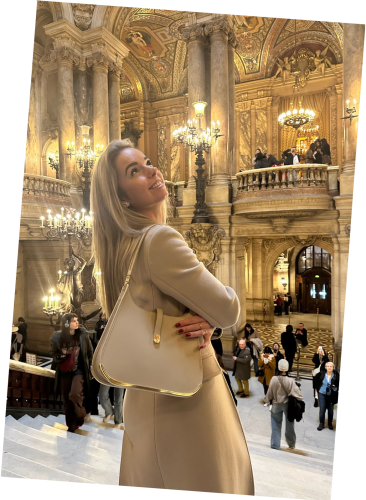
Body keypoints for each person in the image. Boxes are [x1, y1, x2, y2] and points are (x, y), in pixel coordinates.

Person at [90, 139, 254, 494]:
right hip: (188, 399)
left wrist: (201, 315)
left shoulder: (121, 247)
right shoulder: (159, 239)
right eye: (135, 171)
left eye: (148, 162)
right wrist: (210, 313)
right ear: (121, 198)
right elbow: (228, 309)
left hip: (146, 400)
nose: (152, 170)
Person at [50, 313, 94, 433]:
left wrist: (92, 368)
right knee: (66, 399)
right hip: (65, 371)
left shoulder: (82, 335)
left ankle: (81, 415)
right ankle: (71, 425)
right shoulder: (59, 337)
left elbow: (90, 353)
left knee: (74, 395)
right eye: (74, 321)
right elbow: (54, 355)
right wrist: (61, 355)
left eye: (77, 320)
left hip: (79, 370)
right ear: (67, 323)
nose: (77, 322)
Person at [264, 359, 303, 450]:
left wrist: (266, 400)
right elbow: (299, 396)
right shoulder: (290, 381)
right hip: (288, 406)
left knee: (276, 425)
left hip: (276, 405)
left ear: (278, 367)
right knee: (290, 425)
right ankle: (291, 444)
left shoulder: (273, 379)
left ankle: (275, 445)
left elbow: (269, 394)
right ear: (287, 368)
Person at [314, 361, 340, 431]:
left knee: (330, 410)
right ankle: (321, 423)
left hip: (331, 395)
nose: (329, 368)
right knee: (322, 409)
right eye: (328, 366)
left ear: (333, 367)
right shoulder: (321, 374)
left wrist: (335, 387)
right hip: (322, 393)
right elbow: (315, 381)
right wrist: (317, 389)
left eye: (330, 366)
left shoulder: (336, 375)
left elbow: (339, 384)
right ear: (325, 367)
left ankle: (330, 423)